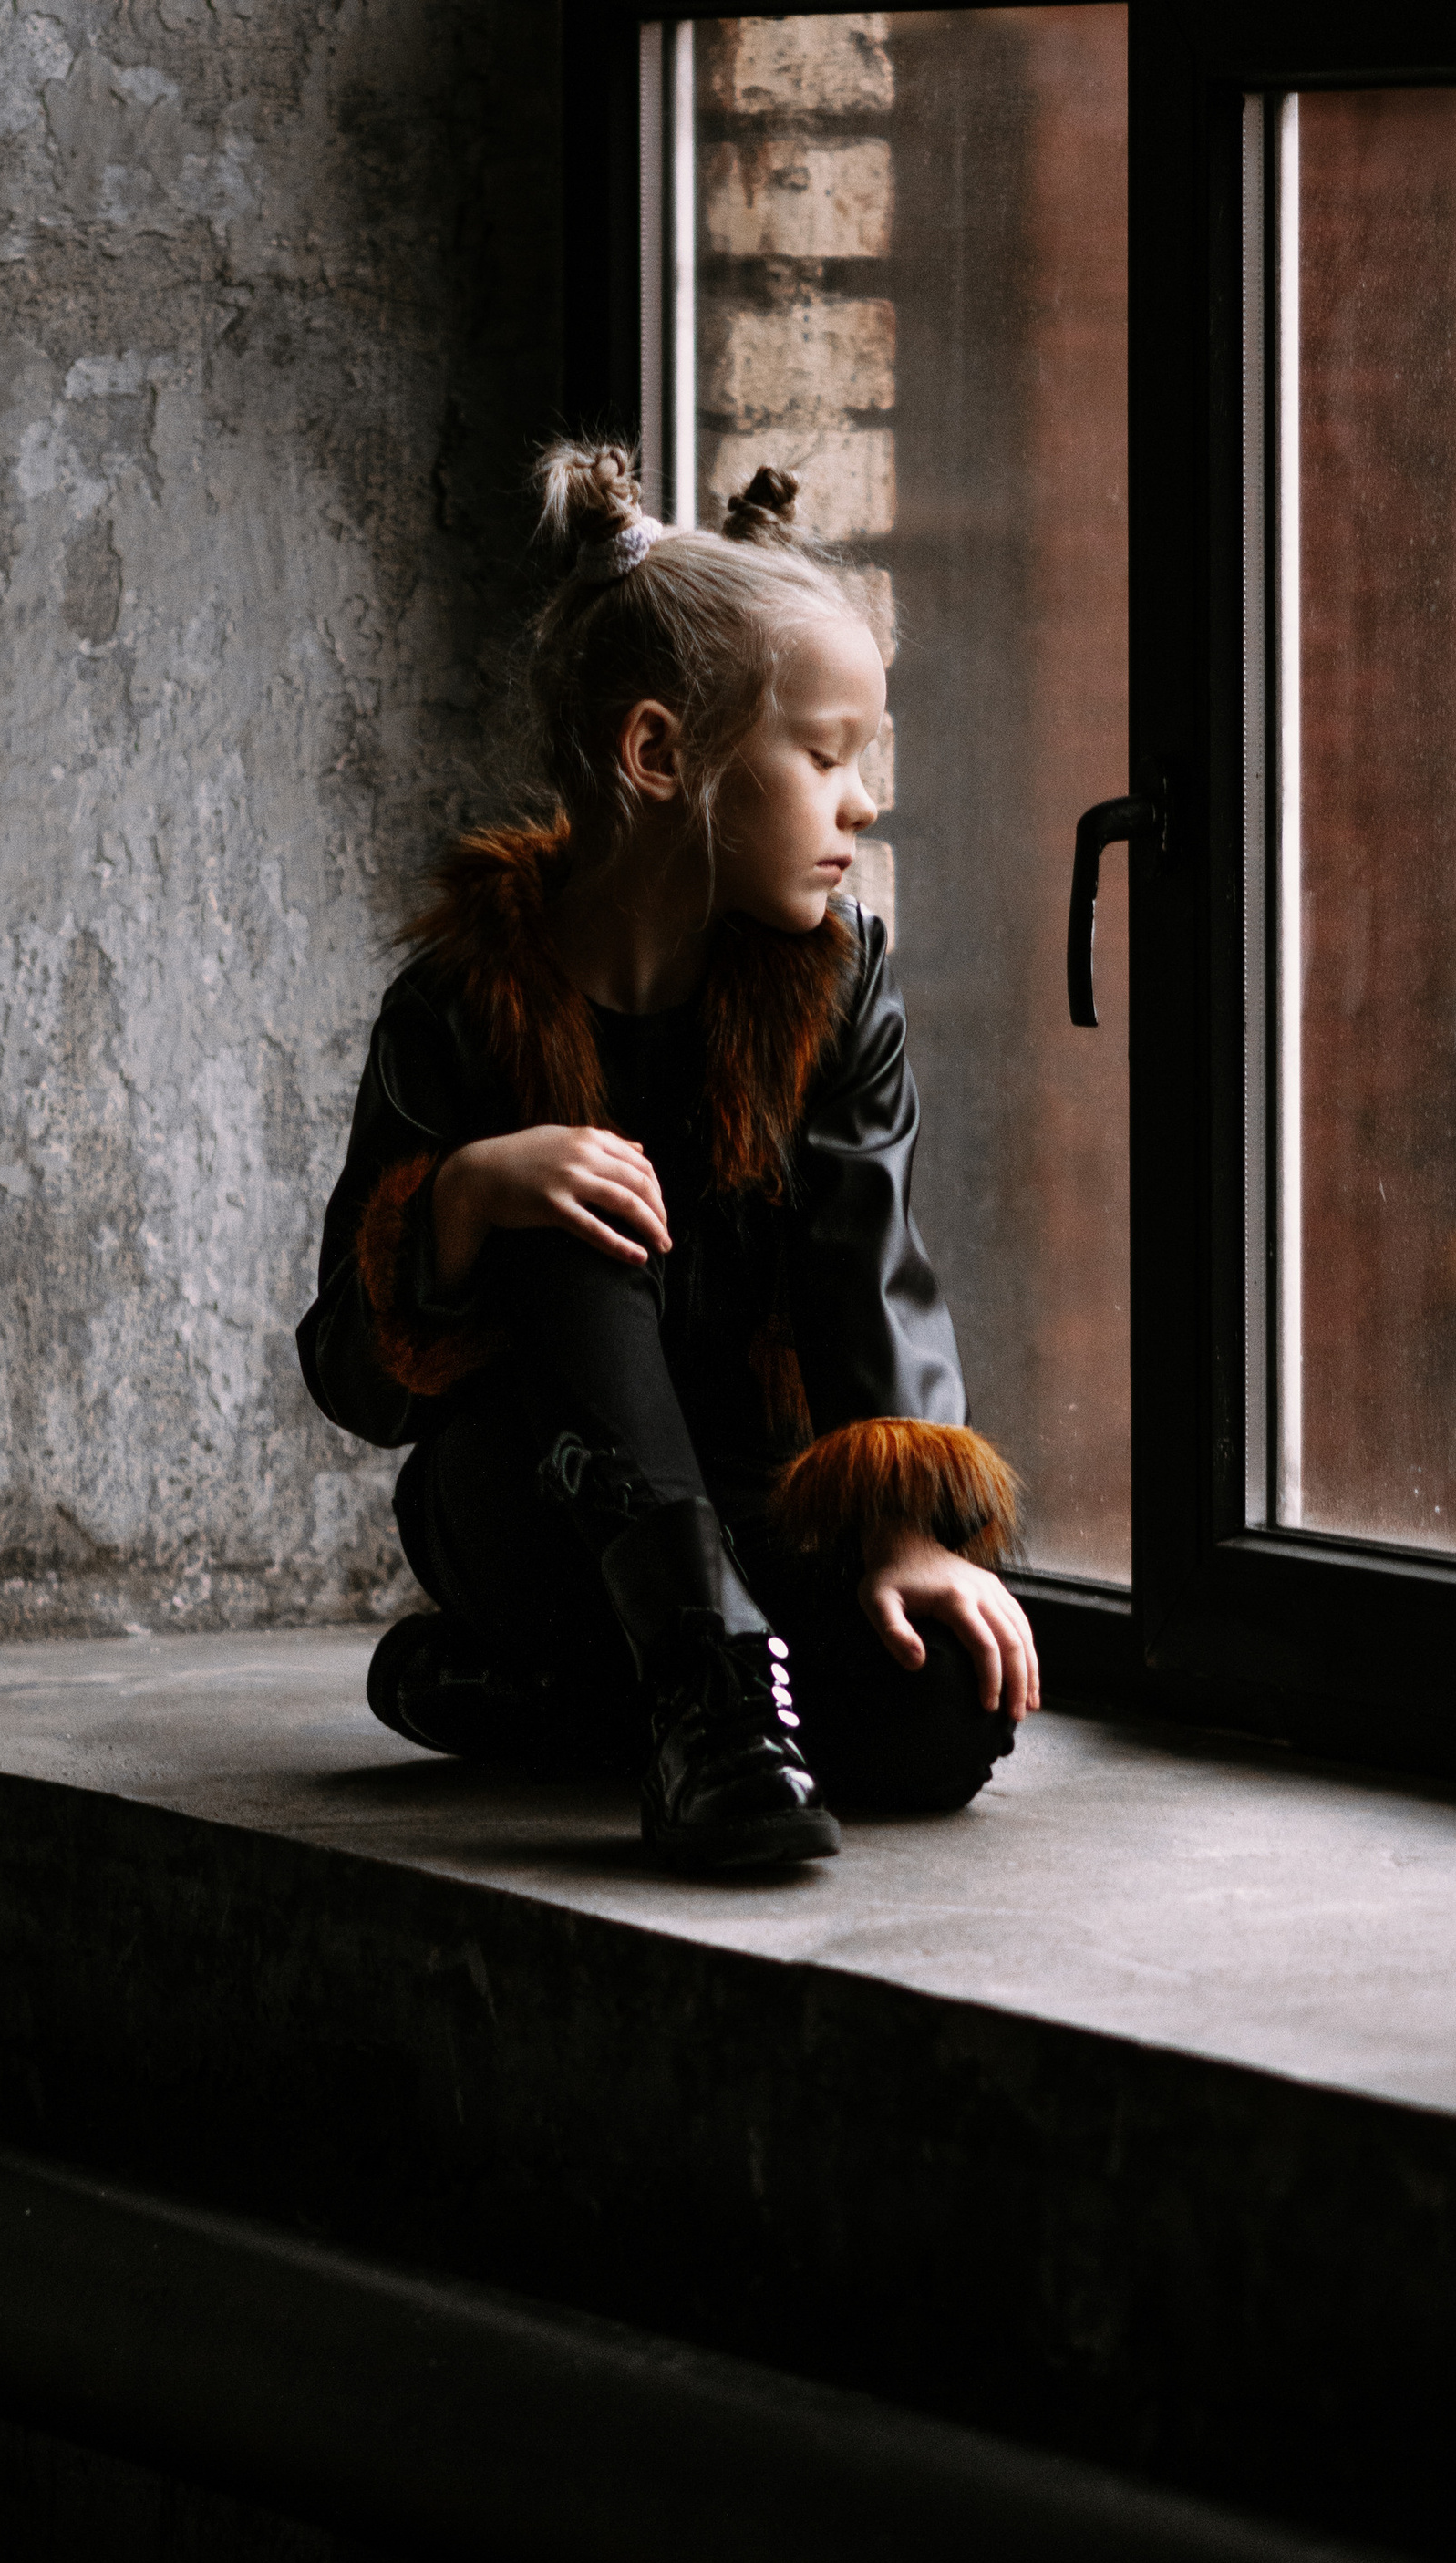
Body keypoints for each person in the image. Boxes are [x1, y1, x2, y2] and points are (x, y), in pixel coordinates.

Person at [296, 441, 1038, 1876]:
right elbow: (352, 1373)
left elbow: (870, 1276)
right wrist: (463, 1196)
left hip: (757, 1501)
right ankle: (693, 1677)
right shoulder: (459, 1005)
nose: (863, 802)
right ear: (660, 756)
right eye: (826, 758)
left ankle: (574, 1704)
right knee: (572, 1185)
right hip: (536, 1506)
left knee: (944, 1715)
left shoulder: (834, 987)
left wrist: (904, 1533)